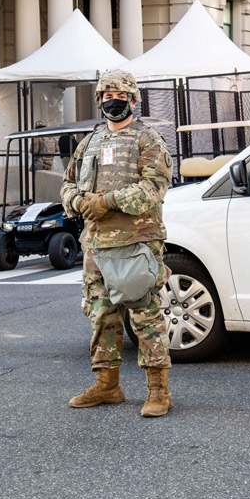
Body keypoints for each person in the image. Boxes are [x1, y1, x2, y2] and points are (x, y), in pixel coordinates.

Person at [60, 69, 175, 418]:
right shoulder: (89, 142)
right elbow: (67, 185)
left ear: (134, 100)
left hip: (135, 242)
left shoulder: (148, 140)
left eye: (121, 95)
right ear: (99, 99)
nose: (114, 100)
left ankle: (159, 390)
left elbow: (154, 187)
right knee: (101, 316)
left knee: (144, 316)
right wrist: (78, 202)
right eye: (107, 95)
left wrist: (107, 202)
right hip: (96, 244)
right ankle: (107, 384)